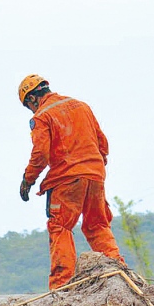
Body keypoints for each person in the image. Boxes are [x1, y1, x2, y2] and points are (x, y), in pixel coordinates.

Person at [17, 74, 126, 290]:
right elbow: (102, 143)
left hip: (67, 179)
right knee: (97, 225)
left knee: (60, 227)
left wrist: (28, 180)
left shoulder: (42, 116)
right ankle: (119, 276)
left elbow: (40, 154)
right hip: (95, 175)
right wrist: (95, 167)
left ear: (32, 99)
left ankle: (62, 287)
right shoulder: (81, 106)